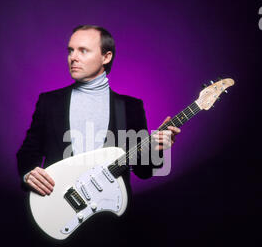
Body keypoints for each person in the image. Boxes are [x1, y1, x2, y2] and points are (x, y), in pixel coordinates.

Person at [16, 25, 181, 203]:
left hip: (110, 214)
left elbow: (144, 171)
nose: (73, 57)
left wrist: (156, 149)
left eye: (83, 51)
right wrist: (28, 175)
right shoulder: (49, 102)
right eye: (71, 51)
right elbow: (28, 152)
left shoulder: (130, 107)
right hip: (57, 206)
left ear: (106, 57)